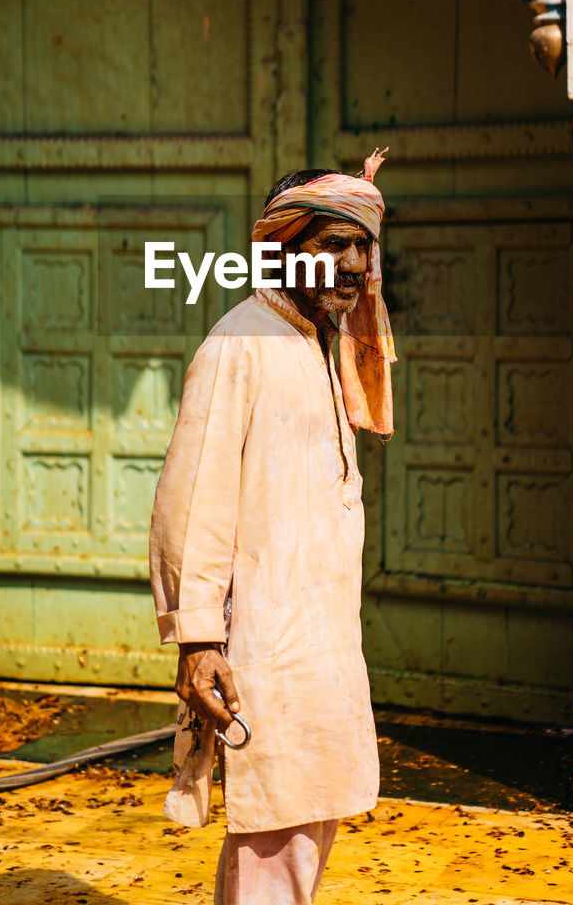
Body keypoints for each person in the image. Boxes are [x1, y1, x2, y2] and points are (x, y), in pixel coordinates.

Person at [148, 153, 396, 905]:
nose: (353, 265)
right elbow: (189, 504)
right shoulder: (239, 343)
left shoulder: (316, 348)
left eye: (362, 248)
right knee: (273, 844)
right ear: (281, 250)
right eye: (332, 246)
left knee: (305, 830)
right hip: (264, 654)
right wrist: (197, 642)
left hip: (318, 648)